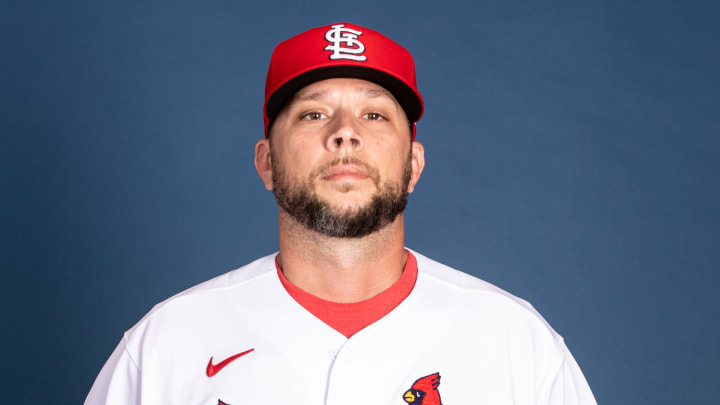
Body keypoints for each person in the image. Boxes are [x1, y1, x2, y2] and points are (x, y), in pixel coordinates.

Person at [86, 22, 596, 405]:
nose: (345, 132)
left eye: (374, 114)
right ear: (267, 161)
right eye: (313, 113)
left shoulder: (515, 342)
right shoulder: (164, 344)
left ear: (413, 164)